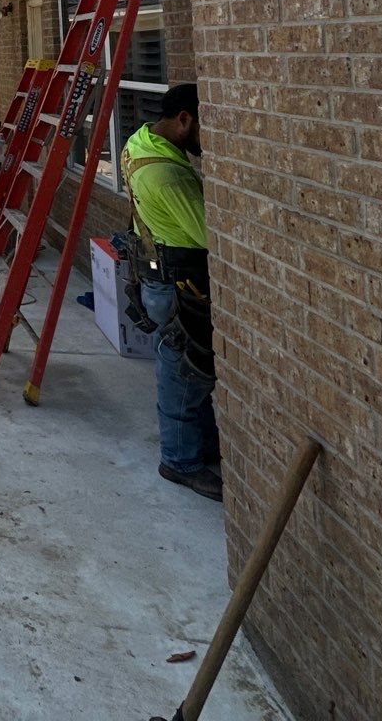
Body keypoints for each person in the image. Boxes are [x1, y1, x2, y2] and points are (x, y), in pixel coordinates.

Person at [122, 82, 219, 501]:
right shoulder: (169, 175)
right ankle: (180, 461)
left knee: (182, 364)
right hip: (178, 282)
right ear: (183, 119)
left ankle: (201, 446)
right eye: (204, 128)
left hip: (157, 274)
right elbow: (212, 238)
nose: (207, 140)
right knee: (185, 370)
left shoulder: (138, 142)